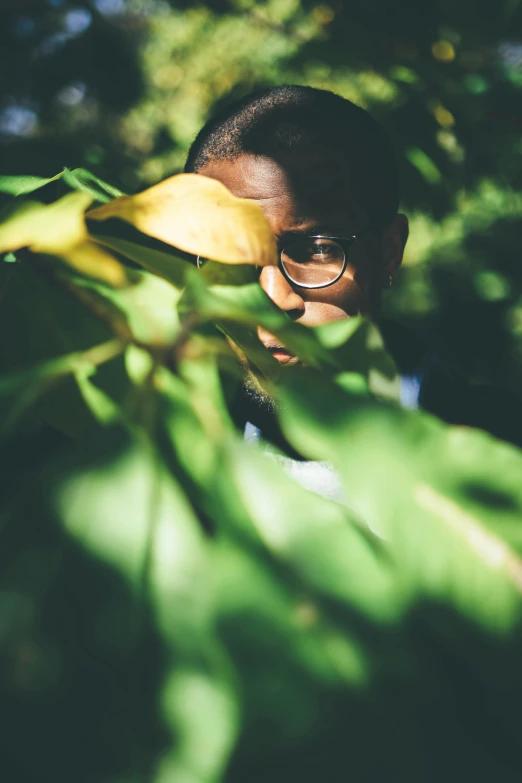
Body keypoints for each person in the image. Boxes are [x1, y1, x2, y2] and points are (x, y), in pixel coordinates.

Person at [185, 84, 522, 450]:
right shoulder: (162, 457)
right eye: (228, 258)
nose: (273, 298)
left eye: (314, 250)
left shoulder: (502, 452)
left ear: (389, 251)